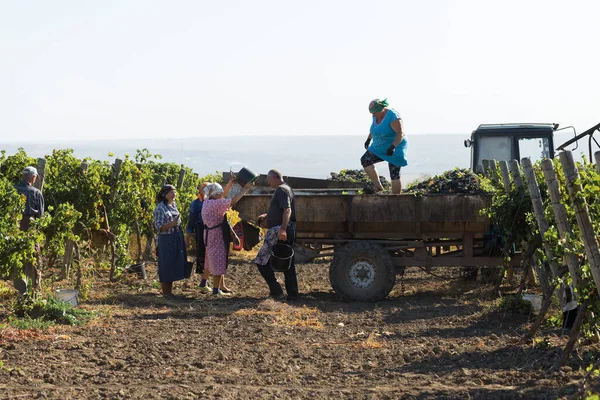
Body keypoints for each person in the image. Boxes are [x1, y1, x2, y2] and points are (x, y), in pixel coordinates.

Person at [201, 177, 253, 297]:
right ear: (215, 194)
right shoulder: (216, 204)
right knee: (218, 259)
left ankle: (204, 282)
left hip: (208, 234)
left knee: (210, 258)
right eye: (219, 193)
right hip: (216, 235)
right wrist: (244, 189)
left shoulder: (207, 201)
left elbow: (222, 195)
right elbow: (233, 201)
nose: (221, 194)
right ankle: (216, 290)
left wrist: (230, 183)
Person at [254, 169, 299, 301]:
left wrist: (283, 229)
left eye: (269, 180)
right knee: (287, 263)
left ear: (274, 177)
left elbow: (287, 210)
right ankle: (293, 294)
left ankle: (276, 290)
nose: (268, 183)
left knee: (261, 261)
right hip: (286, 228)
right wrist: (268, 216)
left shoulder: (281, 190)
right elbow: (282, 210)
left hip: (279, 231)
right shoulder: (287, 188)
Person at [361, 98, 408, 194]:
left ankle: (395, 200)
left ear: (381, 109)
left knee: (394, 174)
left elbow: (400, 133)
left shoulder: (392, 116)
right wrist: (369, 139)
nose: (373, 115)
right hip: (378, 147)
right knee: (365, 160)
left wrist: (393, 146)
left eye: (374, 113)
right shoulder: (375, 115)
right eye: (371, 113)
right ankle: (379, 188)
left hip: (395, 146)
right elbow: (374, 128)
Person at [14, 166, 44, 294]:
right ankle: (35, 288)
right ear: (33, 177)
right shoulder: (36, 193)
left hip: (14, 226)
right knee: (33, 255)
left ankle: (20, 288)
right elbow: (40, 215)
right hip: (30, 226)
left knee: (16, 255)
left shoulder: (13, 190)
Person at [153, 184, 186, 299]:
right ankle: (165, 293)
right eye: (172, 192)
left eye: (175, 192)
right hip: (165, 239)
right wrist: (171, 224)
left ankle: (169, 293)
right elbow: (158, 227)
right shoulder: (160, 208)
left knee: (172, 264)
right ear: (165, 194)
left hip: (174, 237)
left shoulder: (173, 205)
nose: (174, 194)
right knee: (165, 265)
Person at [185, 183, 211, 293]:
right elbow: (191, 223)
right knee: (201, 256)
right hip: (200, 231)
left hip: (213, 231)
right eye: (203, 188)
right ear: (200, 191)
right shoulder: (196, 204)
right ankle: (204, 282)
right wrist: (188, 239)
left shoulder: (213, 202)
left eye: (208, 188)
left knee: (213, 256)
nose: (206, 190)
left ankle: (219, 284)